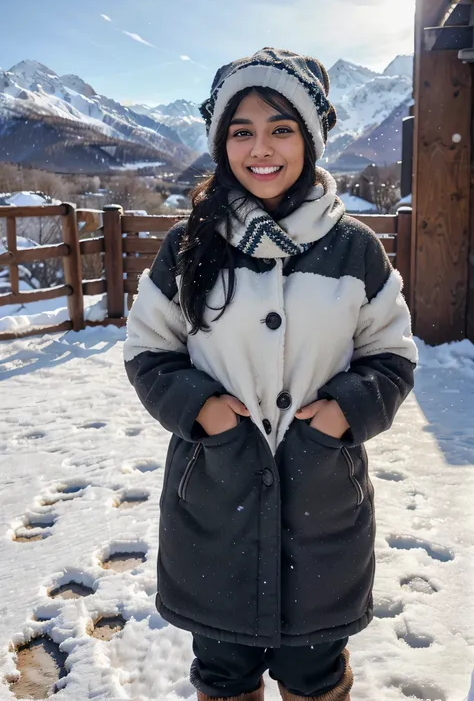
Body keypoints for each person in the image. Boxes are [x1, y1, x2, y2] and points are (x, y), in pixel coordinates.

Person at [123, 47, 418, 701]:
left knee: (314, 672)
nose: (261, 147)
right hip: (214, 499)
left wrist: (347, 410)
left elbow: (392, 354)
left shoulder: (355, 250)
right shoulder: (190, 243)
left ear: (310, 140)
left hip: (324, 509)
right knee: (223, 672)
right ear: (220, 140)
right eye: (241, 130)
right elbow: (148, 349)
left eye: (281, 128)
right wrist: (203, 409)